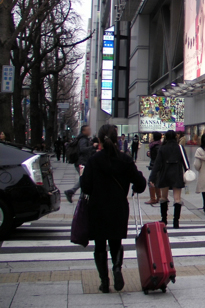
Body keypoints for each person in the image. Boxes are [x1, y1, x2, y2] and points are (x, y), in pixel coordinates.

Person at [81, 124, 146, 293]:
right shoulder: (125, 159)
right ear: (117, 139)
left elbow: (86, 187)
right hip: (118, 207)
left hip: (97, 207)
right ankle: (117, 268)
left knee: (99, 244)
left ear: (100, 140)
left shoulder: (94, 160)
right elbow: (140, 183)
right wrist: (135, 184)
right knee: (116, 241)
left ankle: (104, 281)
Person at [149, 130, 185, 228]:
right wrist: (187, 172)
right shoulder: (180, 148)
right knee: (177, 199)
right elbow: (185, 162)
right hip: (177, 174)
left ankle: (164, 219)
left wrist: (152, 178)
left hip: (165, 174)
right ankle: (176, 221)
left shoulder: (162, 148)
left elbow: (157, 164)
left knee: (163, 197)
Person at [64, 125, 98, 203]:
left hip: (82, 162)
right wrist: (92, 147)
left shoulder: (83, 139)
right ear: (83, 131)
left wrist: (94, 151)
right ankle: (74, 193)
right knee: (84, 179)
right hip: (81, 163)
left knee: (84, 179)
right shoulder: (83, 140)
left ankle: (78, 194)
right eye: (88, 129)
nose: (89, 131)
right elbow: (83, 150)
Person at [145, 132, 162, 204]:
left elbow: (157, 157)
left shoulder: (156, 146)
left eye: (152, 136)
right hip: (156, 166)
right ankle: (159, 197)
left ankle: (153, 199)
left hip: (156, 167)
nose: (151, 138)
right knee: (156, 182)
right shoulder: (157, 145)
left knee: (151, 181)